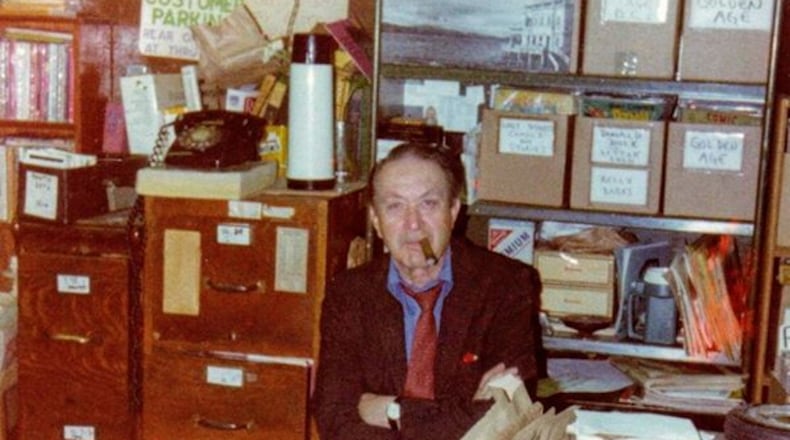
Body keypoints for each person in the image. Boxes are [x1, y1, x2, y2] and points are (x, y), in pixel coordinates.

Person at [313, 142, 545, 439]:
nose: (413, 224)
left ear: (454, 211)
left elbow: (506, 412)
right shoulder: (349, 294)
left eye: (428, 204)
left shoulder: (505, 284)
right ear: (376, 221)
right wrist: (459, 414)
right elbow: (333, 417)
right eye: (395, 206)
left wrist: (391, 411)